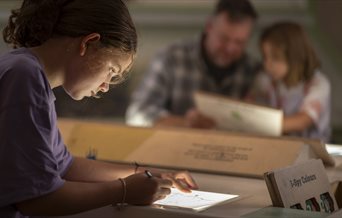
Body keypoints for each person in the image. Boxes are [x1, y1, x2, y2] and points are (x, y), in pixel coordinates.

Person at [0, 0, 198, 217]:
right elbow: (39, 201)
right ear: (88, 43)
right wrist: (124, 191)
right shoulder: (24, 76)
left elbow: (66, 167)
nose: (105, 87)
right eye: (111, 70)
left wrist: (147, 174)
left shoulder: (31, 75)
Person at [126, 0, 260, 129]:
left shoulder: (254, 70)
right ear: (209, 27)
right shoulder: (171, 58)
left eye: (239, 42)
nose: (230, 48)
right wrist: (186, 123)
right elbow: (137, 114)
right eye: (224, 38)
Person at [247, 21, 331, 142]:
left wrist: (258, 124)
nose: (267, 65)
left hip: (315, 154)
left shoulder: (319, 84)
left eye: (275, 57)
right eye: (265, 57)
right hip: (278, 149)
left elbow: (302, 121)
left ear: (294, 56)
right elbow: (247, 106)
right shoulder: (265, 80)